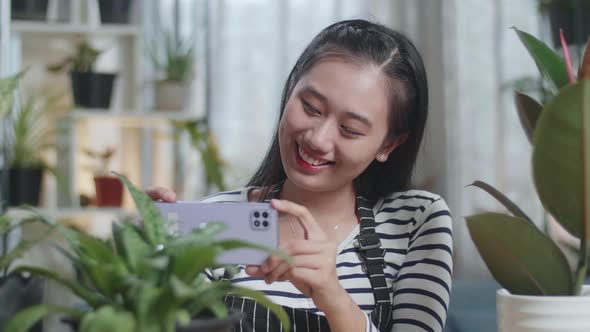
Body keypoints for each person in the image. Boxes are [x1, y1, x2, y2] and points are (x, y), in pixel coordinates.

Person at [148, 19, 452, 332]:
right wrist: (145, 270)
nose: (317, 140)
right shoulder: (218, 221)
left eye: (350, 129)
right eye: (310, 107)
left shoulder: (414, 221)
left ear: (388, 143)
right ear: (291, 89)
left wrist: (332, 297)